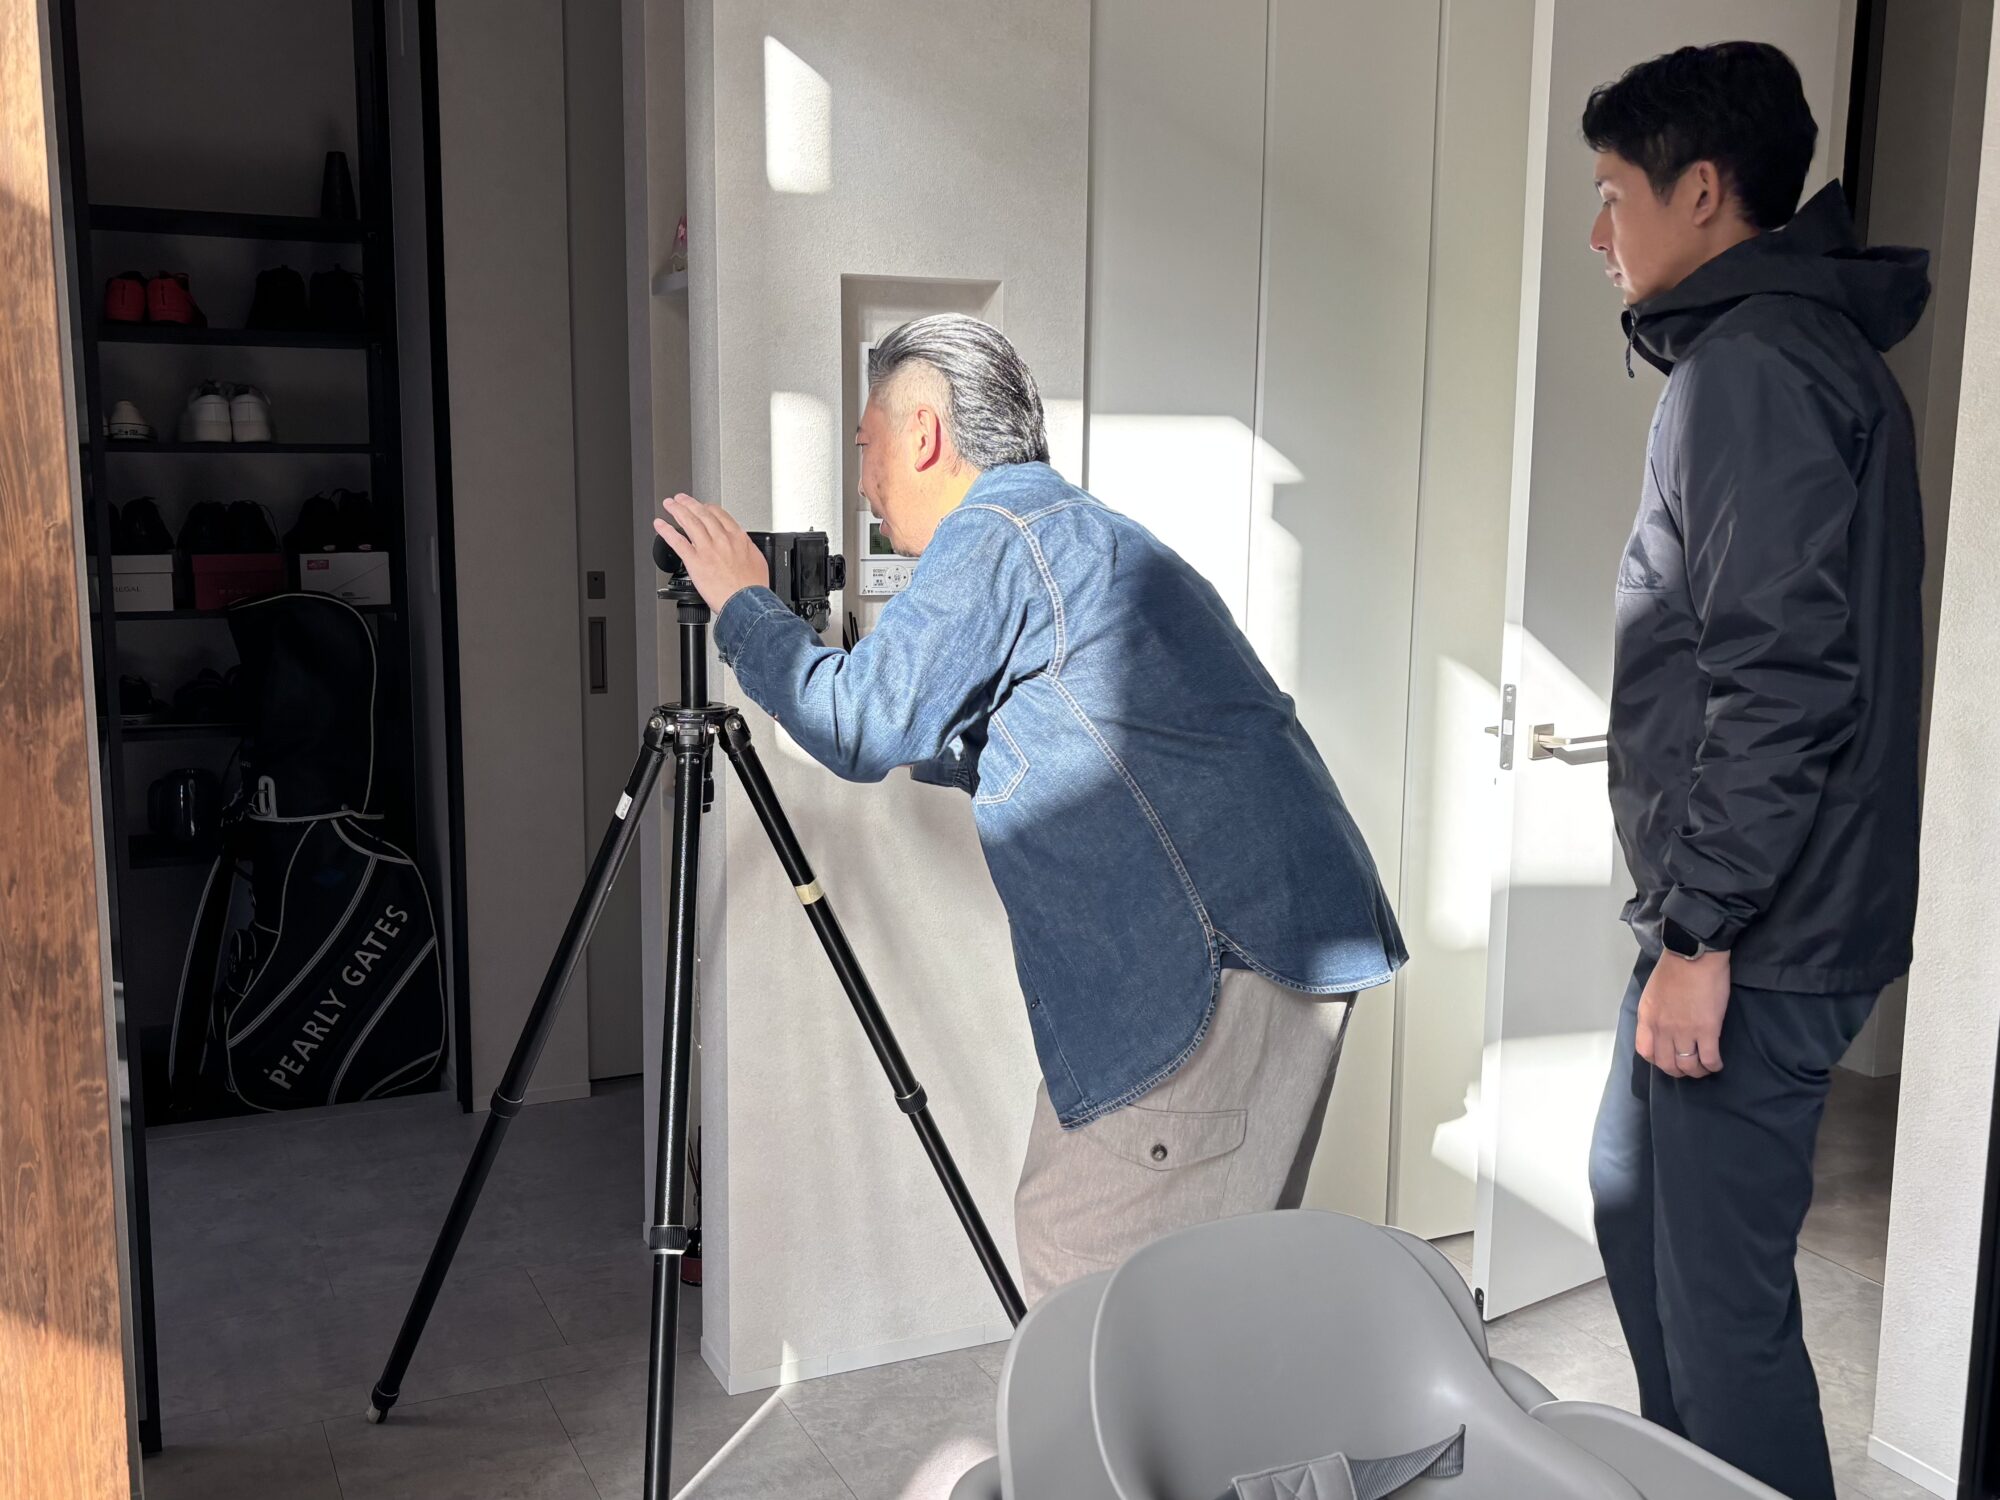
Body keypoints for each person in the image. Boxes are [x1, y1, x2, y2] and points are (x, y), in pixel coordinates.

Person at [654, 313, 1405, 1305]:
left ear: (923, 434)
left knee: (1089, 1282)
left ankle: (1132, 1419)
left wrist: (741, 602)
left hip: (1215, 961)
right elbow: (1030, 726)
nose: (864, 480)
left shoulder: (999, 534)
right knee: (1211, 1297)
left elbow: (859, 726)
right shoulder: (1071, 533)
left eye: (866, 445)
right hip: (1281, 942)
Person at [1581, 42, 1929, 1500]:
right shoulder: (1784, 356)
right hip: (1747, 913)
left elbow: (1778, 676)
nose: (1598, 232)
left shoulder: (1755, 368)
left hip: (1759, 929)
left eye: (1613, 193)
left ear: (1702, 190)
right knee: (1628, 1201)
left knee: (1721, 1310)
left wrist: (1704, 933)